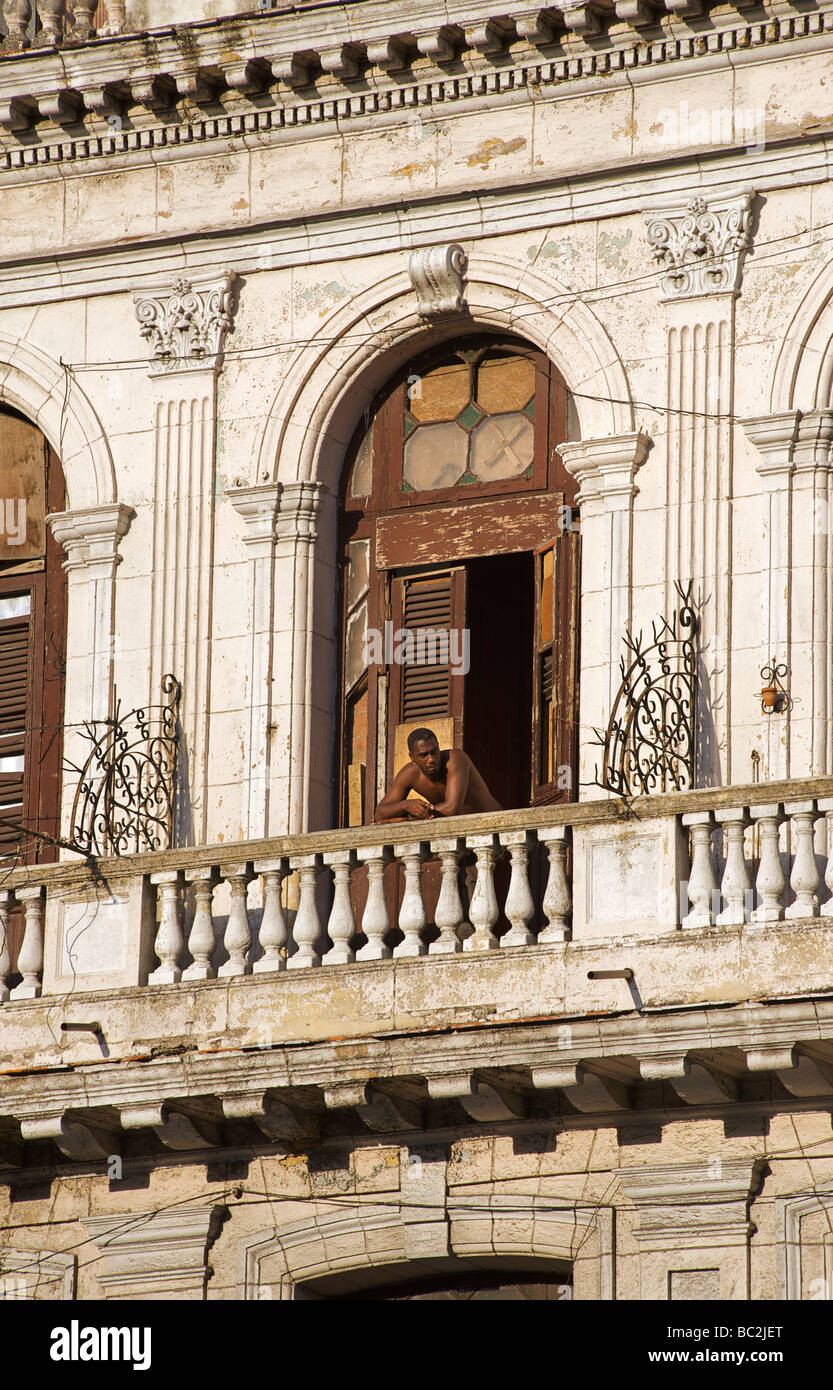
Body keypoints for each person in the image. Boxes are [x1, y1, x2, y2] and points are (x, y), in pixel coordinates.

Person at [375, 727, 502, 822]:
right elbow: (380, 813)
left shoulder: (455, 759)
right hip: (457, 839)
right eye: (423, 755)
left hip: (495, 828)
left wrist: (403, 819)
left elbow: (451, 808)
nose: (431, 759)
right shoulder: (409, 774)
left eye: (434, 751)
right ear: (412, 757)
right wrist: (406, 805)